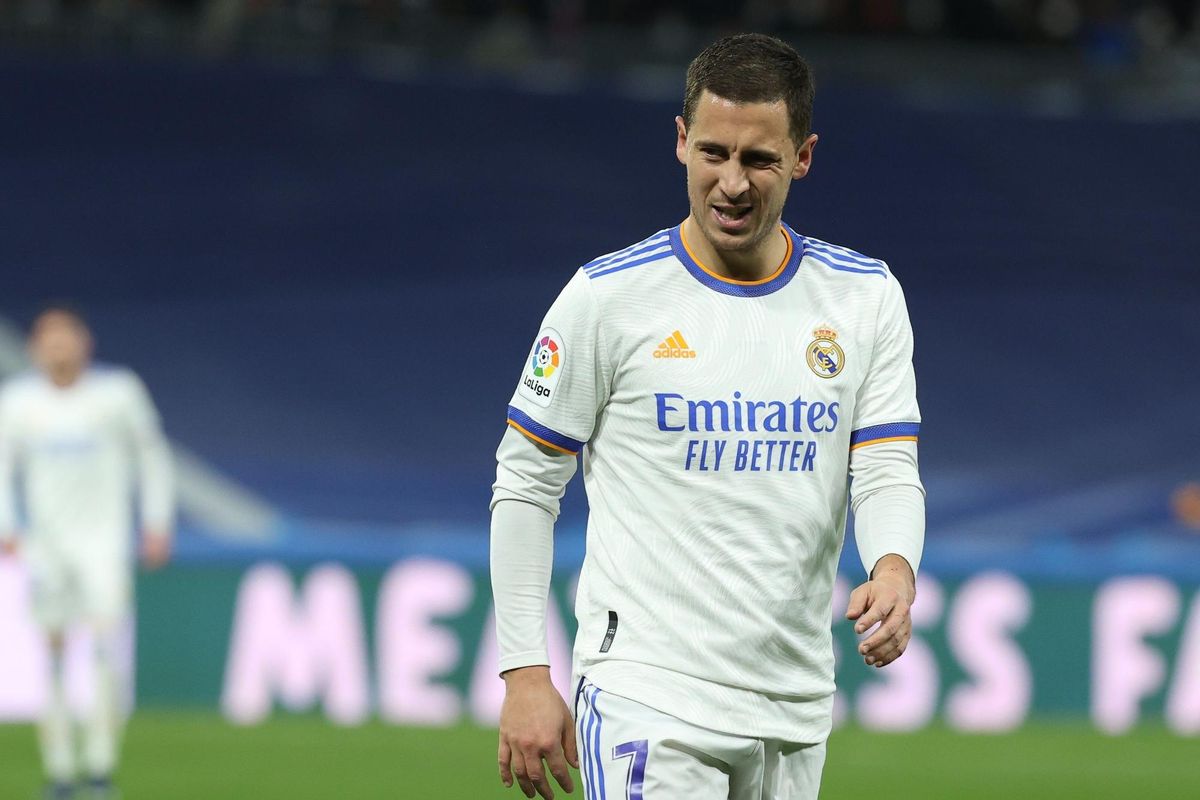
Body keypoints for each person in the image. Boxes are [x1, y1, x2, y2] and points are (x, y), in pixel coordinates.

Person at [490, 33, 925, 800]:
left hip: (792, 705)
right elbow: (526, 485)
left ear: (803, 157)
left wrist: (893, 565)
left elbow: (885, 466)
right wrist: (526, 670)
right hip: (647, 696)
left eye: (759, 159)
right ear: (682, 142)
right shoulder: (608, 299)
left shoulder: (864, 297)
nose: (732, 183)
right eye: (714, 153)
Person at [0, 305, 174, 800]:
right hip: (47, 548)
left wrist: (157, 522)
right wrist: (7, 524)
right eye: (48, 338)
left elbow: (152, 454)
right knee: (51, 654)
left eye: (66, 337)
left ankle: (99, 769)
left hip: (104, 543)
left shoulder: (117, 393)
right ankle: (58, 771)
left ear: (85, 342)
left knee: (103, 650)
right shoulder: (17, 401)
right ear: (34, 347)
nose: (58, 347)